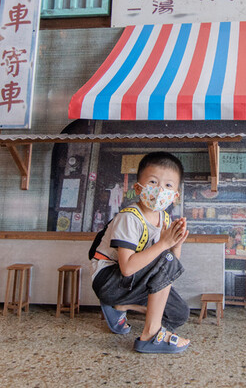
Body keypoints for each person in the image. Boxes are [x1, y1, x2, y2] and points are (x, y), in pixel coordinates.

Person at [91, 151, 191, 354]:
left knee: (179, 313)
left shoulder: (164, 218)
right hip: (109, 280)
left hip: (133, 283)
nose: (160, 190)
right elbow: (127, 268)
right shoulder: (129, 218)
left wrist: (176, 244)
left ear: (175, 195)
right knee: (165, 257)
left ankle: (120, 306)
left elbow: (168, 270)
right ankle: (150, 335)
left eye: (168, 185)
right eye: (153, 182)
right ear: (138, 188)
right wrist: (164, 244)